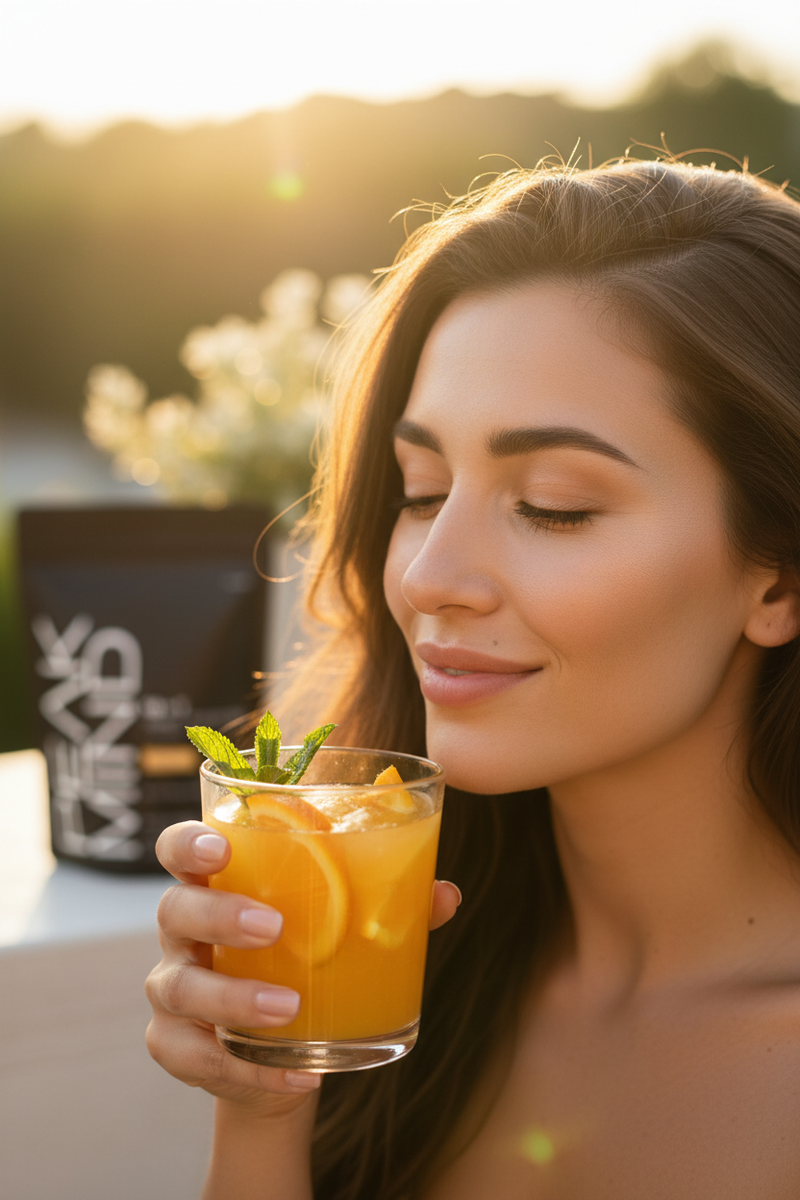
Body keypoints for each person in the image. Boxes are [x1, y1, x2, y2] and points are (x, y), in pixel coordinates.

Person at [145, 158, 800, 1199]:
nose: (429, 576)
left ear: (778, 577)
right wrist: (264, 1102)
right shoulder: (403, 983)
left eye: (552, 505)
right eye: (422, 490)